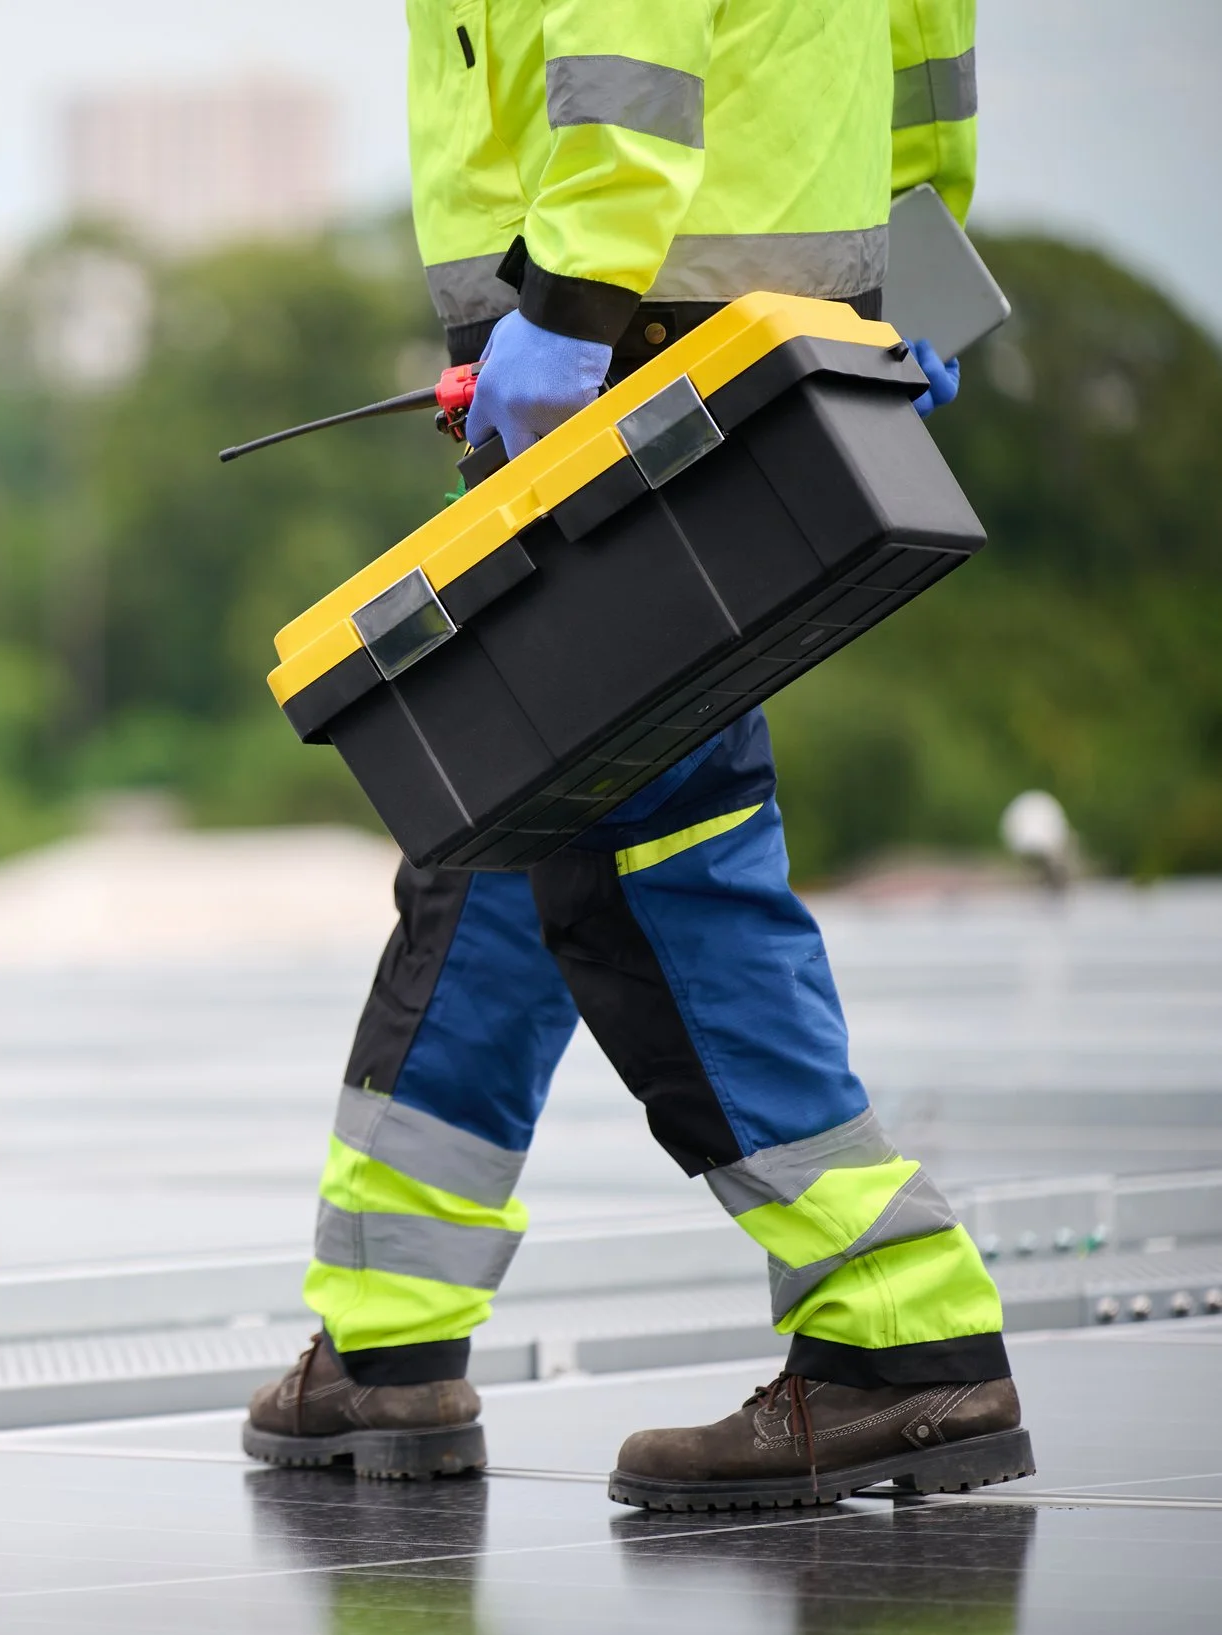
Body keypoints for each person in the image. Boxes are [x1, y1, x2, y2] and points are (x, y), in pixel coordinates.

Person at [241, 0, 1028, 1510]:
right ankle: (389, 1337)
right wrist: (914, 261)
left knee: (657, 864)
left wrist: (574, 300)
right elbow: (924, 45)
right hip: (757, 324)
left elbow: (624, 49)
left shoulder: (590, 308)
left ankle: (900, 1336)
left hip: (627, 331)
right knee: (507, 809)